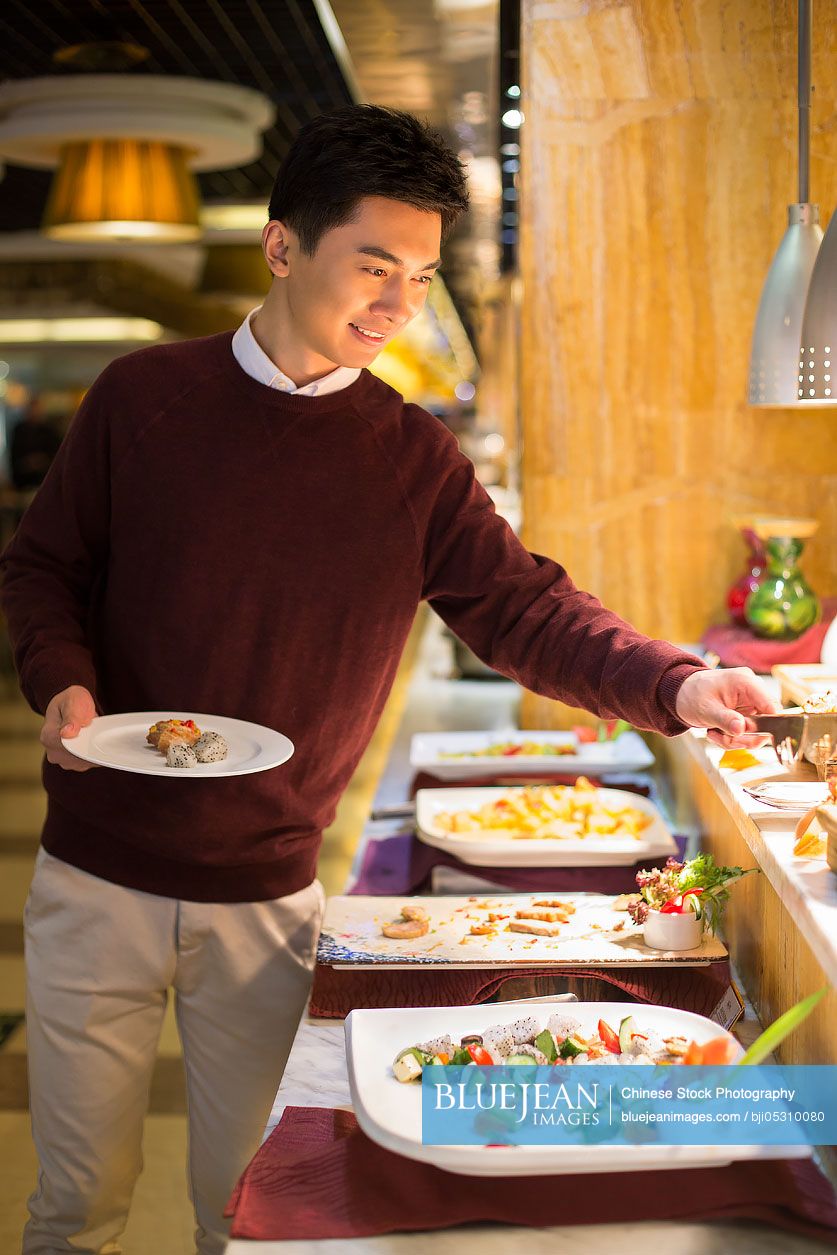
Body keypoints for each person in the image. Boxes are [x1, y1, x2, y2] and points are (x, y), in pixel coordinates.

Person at [0, 104, 777, 1254]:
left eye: (418, 276)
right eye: (374, 266)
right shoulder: (141, 400)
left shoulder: (410, 456)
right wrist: (62, 681)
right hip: (96, 873)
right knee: (74, 1201)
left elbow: (523, 607)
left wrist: (676, 684)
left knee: (246, 1206)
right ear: (282, 247)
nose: (398, 304)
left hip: (268, 891)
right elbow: (43, 566)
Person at [9, 397, 63, 491]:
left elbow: (57, 454)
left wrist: (42, 460)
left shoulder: (49, 430)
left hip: (44, 478)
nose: (34, 413)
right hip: (23, 480)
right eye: (31, 410)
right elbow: (14, 454)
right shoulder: (19, 430)